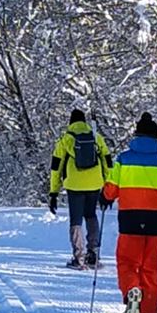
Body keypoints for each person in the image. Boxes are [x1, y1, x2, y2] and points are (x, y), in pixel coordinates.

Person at [101, 112, 157, 313]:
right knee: (150, 265)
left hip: (130, 217)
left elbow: (111, 191)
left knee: (127, 260)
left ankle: (131, 290)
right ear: (156, 138)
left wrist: (105, 195)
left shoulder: (123, 159)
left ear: (136, 135)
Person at [50, 108, 112, 269]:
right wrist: (108, 186)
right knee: (91, 215)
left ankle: (79, 257)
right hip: (94, 183)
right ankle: (93, 254)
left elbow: (56, 167)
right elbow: (108, 162)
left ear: (71, 122)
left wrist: (53, 192)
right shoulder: (96, 137)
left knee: (76, 220)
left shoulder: (65, 140)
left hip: (74, 185)